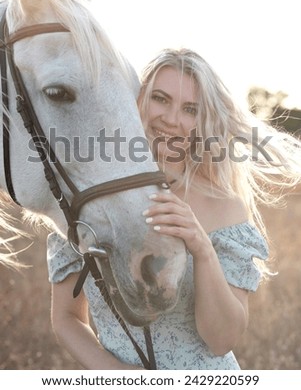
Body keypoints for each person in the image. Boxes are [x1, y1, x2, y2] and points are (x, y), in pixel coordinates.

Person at [47, 48, 301, 370]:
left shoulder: (223, 206)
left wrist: (201, 247)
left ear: (202, 121)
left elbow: (221, 340)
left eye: (190, 109)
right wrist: (121, 377)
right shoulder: (88, 196)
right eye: (160, 99)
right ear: (138, 100)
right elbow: (67, 318)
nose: (170, 119)